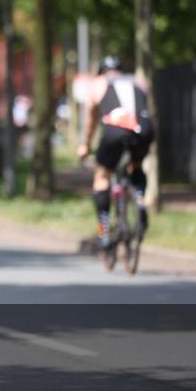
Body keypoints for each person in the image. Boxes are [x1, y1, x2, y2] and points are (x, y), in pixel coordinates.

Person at [77, 56, 154, 248]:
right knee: (136, 165)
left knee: (102, 175)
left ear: (102, 71)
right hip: (144, 129)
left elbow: (90, 120)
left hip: (114, 130)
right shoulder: (138, 81)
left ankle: (103, 230)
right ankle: (140, 198)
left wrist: (85, 144)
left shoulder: (98, 84)